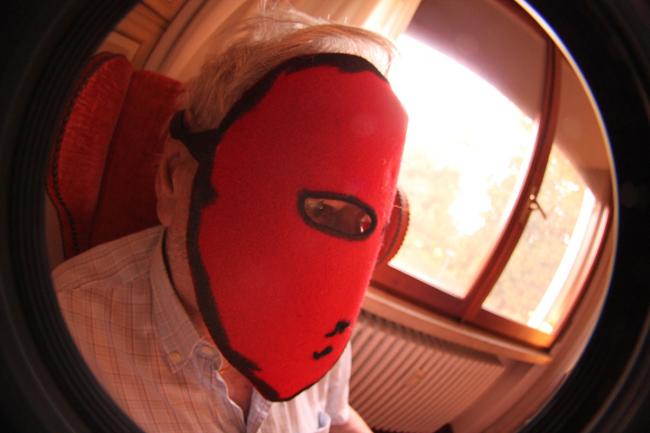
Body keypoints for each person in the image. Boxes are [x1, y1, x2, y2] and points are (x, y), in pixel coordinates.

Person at [53, 7, 407, 433]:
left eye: (357, 223)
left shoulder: (324, 324)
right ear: (173, 178)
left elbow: (338, 419)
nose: (323, 261)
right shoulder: (64, 340)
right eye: (317, 209)